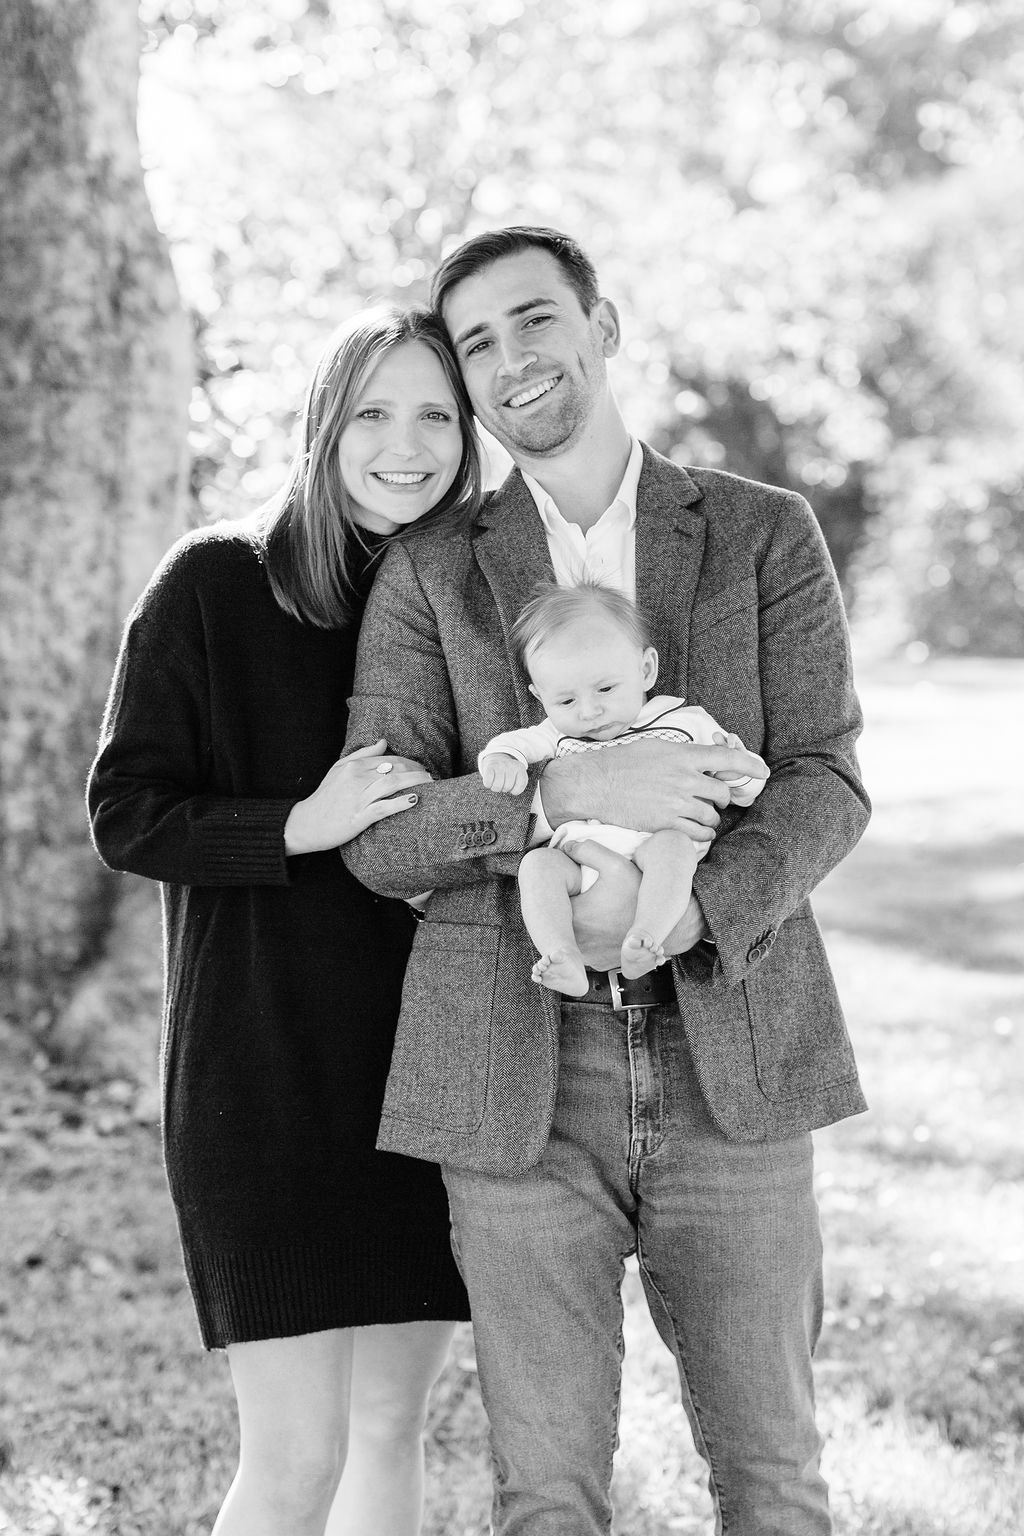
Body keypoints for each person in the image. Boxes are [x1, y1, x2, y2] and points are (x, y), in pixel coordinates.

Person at [342, 227, 870, 1536]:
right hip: (513, 1068)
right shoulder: (428, 569)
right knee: (548, 1497)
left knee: (776, 1482)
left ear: (603, 325)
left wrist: (689, 912)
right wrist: (558, 797)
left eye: (535, 318)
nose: (512, 358)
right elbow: (380, 837)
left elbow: (824, 779)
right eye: (476, 343)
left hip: (735, 1051)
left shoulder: (760, 532)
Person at [86, 305, 481, 1536]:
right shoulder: (213, 581)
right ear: (324, 425)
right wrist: (299, 825)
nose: (405, 446)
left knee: (389, 1432)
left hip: (430, 1067)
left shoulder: (471, 600)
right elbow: (126, 814)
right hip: (263, 1072)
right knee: (299, 1457)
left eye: (435, 416)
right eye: (374, 413)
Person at [478, 579, 767, 993]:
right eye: (566, 701)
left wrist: (732, 770)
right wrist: (501, 761)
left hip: (657, 851)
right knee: (537, 867)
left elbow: (748, 790)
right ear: (539, 696)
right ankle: (562, 955)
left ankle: (646, 936)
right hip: (578, 860)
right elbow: (512, 745)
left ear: (645, 669)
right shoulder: (554, 734)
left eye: (606, 688)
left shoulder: (687, 722)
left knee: (674, 848)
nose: (590, 711)